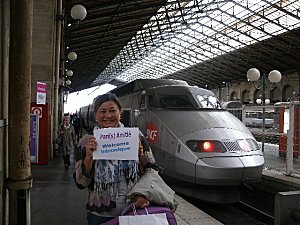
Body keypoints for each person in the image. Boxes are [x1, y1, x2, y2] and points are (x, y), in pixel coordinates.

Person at [73, 93, 163, 225]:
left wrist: (143, 193)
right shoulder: (85, 142)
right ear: (96, 115)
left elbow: (152, 168)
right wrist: (88, 158)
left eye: (112, 110)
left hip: (133, 210)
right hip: (99, 215)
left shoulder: (135, 137)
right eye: (102, 111)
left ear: (120, 112)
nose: (108, 116)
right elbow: (81, 183)